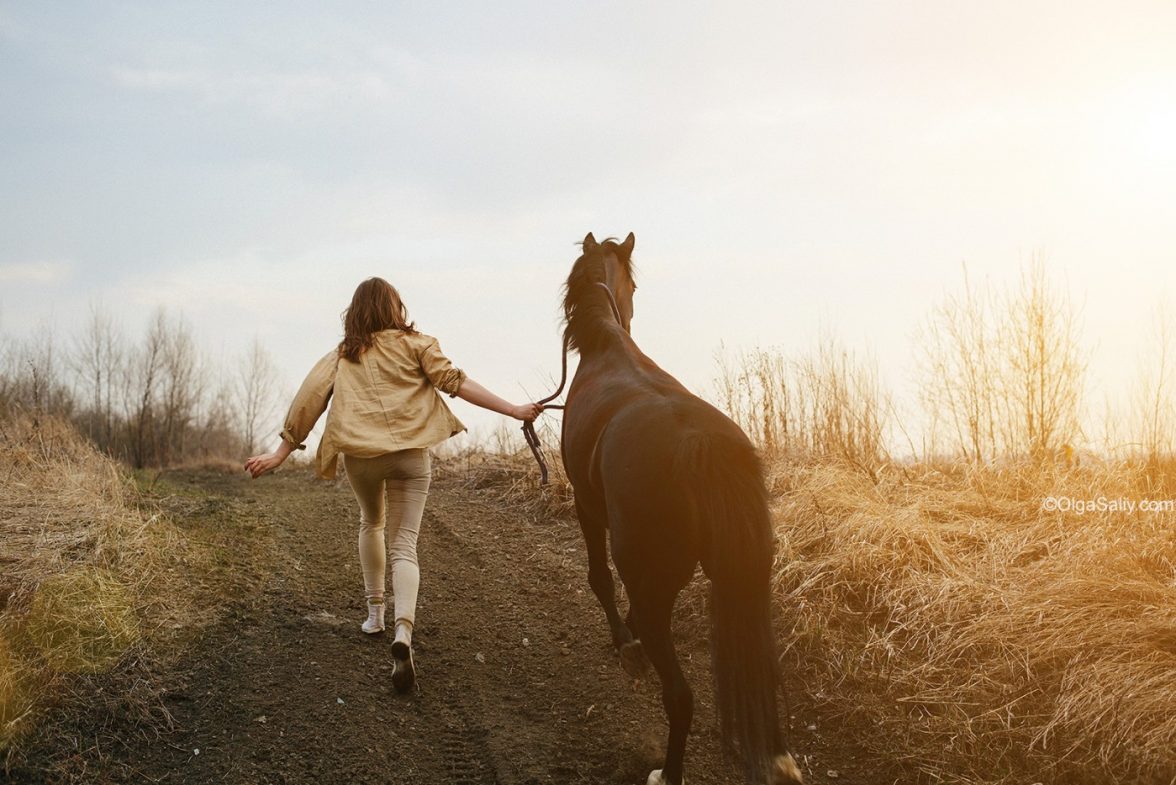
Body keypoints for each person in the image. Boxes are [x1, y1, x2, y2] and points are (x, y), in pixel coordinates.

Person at [244, 277, 541, 693]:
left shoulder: (342, 355)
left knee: (371, 523)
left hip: (362, 458)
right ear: (395, 308)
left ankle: (375, 615)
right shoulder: (417, 344)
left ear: (355, 312)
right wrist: (513, 409)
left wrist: (280, 452)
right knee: (405, 544)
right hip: (410, 455)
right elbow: (456, 382)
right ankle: (404, 631)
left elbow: (309, 398)